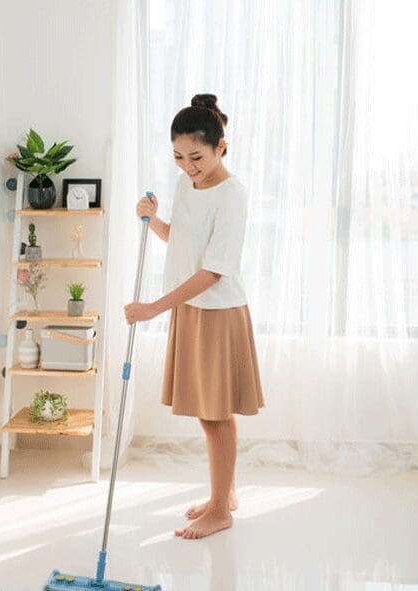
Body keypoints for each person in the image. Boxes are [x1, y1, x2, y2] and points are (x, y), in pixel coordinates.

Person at [124, 93, 264, 540]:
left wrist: (152, 309)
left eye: (197, 156)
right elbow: (185, 246)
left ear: (222, 146)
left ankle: (221, 509)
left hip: (217, 311)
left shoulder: (232, 194)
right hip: (191, 306)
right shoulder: (188, 185)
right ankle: (226, 495)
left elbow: (212, 270)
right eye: (178, 157)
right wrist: (153, 220)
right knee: (210, 413)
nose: (187, 166)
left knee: (216, 413)